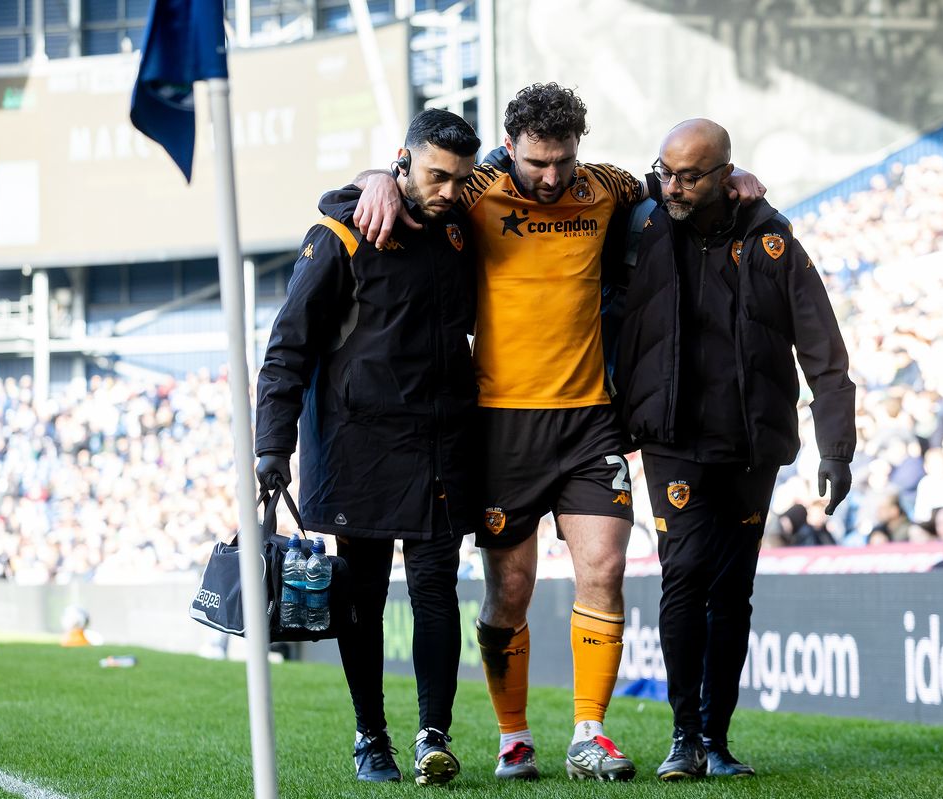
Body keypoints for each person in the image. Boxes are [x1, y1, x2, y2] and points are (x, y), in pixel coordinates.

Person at [351, 83, 766, 782]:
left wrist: (737, 182)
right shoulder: (475, 188)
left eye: (563, 161)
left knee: (603, 569)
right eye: (538, 162)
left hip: (589, 420)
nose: (551, 178)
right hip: (500, 424)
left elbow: (673, 182)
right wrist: (371, 180)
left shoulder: (604, 186)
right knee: (509, 593)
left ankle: (589, 731)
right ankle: (514, 737)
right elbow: (408, 186)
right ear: (509, 148)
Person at [613, 119, 855, 780]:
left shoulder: (773, 240)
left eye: (690, 174)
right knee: (683, 574)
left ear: (726, 173)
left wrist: (837, 448)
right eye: (666, 170)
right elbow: (554, 174)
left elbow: (824, 350)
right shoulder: (643, 220)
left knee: (733, 590)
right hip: (672, 438)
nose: (673, 185)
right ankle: (683, 735)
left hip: (753, 444)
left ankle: (716, 740)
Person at [253, 109, 481, 786]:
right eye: (436, 174)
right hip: (361, 449)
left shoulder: (462, 225)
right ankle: (370, 736)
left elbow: (529, 162)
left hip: (443, 445)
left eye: (461, 180)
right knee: (362, 596)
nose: (449, 190)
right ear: (403, 162)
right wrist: (273, 446)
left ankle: (432, 736)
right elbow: (286, 347)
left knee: (438, 585)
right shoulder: (340, 233)